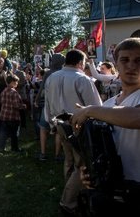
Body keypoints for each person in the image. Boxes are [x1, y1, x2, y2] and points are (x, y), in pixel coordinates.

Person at [71, 37, 140, 214]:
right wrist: (90, 172)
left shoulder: (100, 109)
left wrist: (90, 110)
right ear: (116, 64)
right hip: (112, 192)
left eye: (138, 60)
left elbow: (136, 117)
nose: (131, 66)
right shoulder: (108, 105)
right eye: (125, 60)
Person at [44, 49, 102, 214]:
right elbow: (95, 106)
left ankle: (71, 193)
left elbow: (47, 103)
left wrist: (51, 123)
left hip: (60, 123)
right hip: (78, 126)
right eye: (83, 63)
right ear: (80, 63)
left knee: (69, 160)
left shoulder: (52, 77)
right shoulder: (82, 78)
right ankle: (69, 201)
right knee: (82, 164)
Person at [0, 74, 26, 152]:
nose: (17, 83)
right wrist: (23, 106)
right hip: (13, 117)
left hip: (4, 115)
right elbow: (16, 105)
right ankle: (14, 148)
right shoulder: (14, 93)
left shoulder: (4, 91)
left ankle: (1, 148)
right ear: (12, 82)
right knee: (14, 134)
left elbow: (2, 102)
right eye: (16, 82)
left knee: (3, 133)